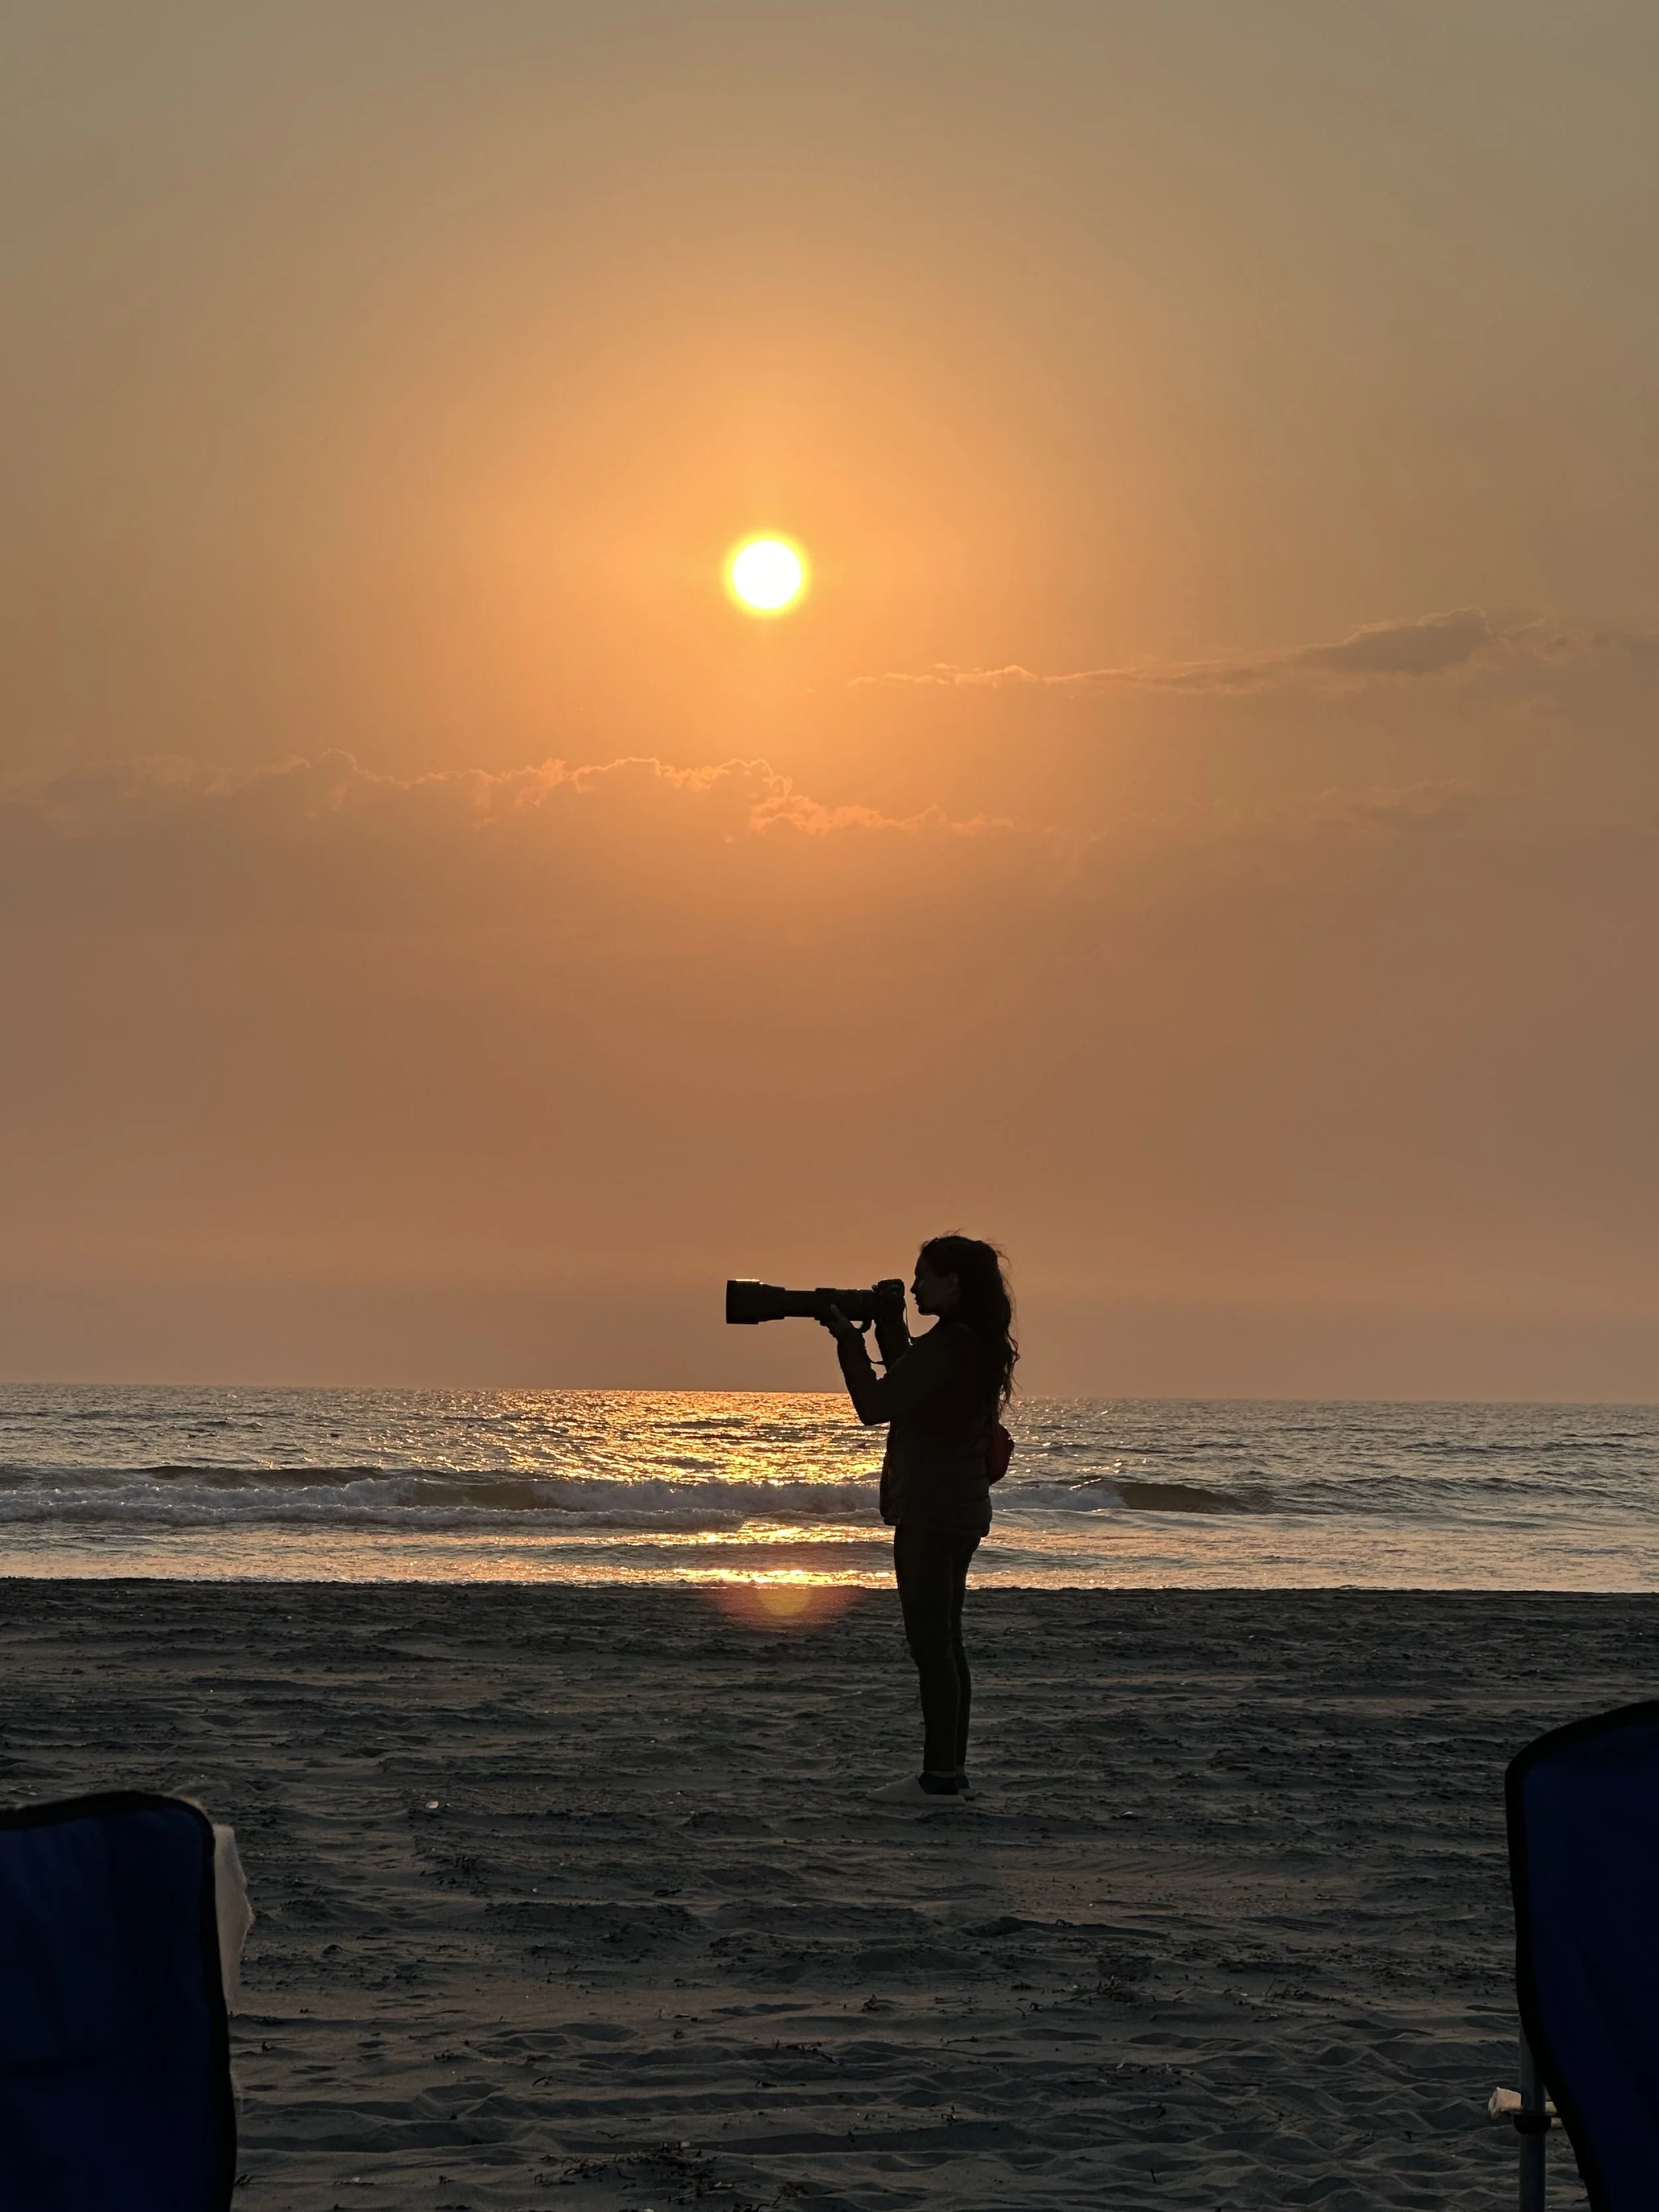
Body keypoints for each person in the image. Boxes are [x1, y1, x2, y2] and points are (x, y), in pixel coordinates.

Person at [822, 1234, 1017, 1805]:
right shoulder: (970, 1342)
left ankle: (937, 1778)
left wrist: (846, 1342)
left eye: (923, 1277)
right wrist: (887, 1324)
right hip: (960, 1509)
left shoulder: (953, 1344)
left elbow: (876, 1404)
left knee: (932, 1645)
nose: (914, 1287)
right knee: (947, 1641)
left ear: (953, 1282)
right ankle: (950, 1772)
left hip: (933, 1512)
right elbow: (913, 1377)